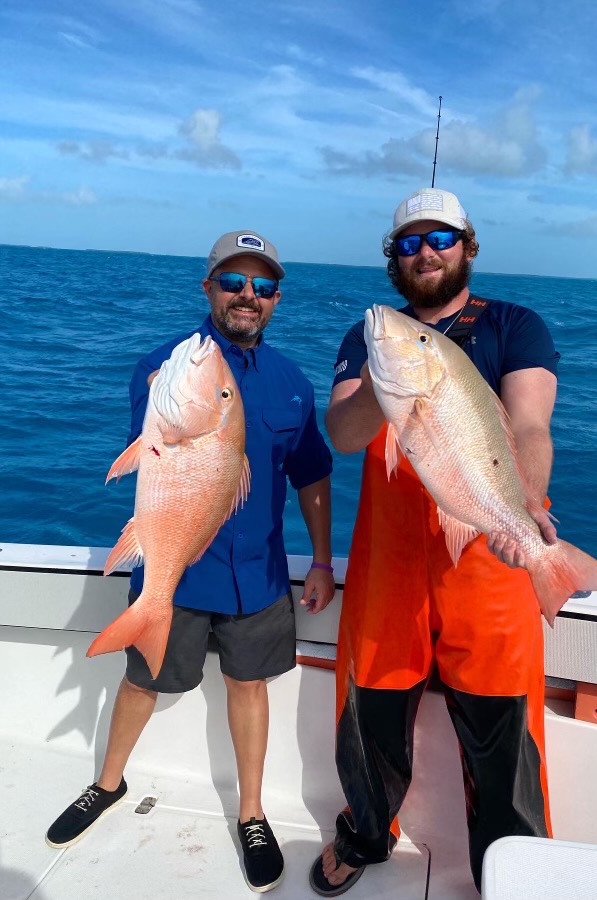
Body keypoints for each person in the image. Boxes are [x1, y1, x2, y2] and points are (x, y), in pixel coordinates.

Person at [46, 230, 336, 894]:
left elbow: (312, 475)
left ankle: (253, 813)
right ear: (207, 288)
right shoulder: (165, 365)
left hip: (259, 573)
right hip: (174, 569)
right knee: (143, 681)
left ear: (276, 300)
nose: (247, 296)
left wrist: (320, 558)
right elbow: (150, 459)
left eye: (262, 287)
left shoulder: (293, 381)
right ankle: (107, 783)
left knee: (248, 687)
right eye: (233, 282)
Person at [310, 188, 560, 896]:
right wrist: (387, 384)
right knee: (369, 712)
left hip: (489, 554)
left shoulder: (516, 325)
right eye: (409, 242)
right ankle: (364, 832)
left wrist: (528, 508)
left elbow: (531, 426)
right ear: (394, 257)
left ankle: (514, 870)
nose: (425, 252)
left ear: (468, 246)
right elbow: (345, 435)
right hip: (389, 563)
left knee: (505, 730)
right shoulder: (370, 338)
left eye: (440, 239)